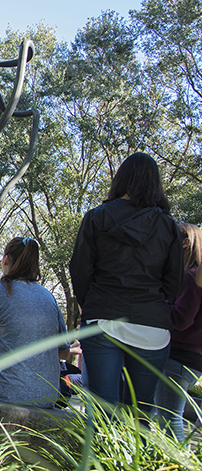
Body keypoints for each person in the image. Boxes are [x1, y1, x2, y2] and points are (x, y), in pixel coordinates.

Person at [70, 152, 184, 411]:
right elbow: (174, 282)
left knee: (102, 410)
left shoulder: (97, 217)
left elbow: (80, 270)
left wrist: (93, 304)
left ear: (120, 179)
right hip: (151, 327)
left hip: (104, 318)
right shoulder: (168, 227)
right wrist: (152, 301)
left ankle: (98, 452)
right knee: (140, 414)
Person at [0, 237, 70, 409]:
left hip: (3, 391)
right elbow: (64, 353)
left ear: (6, 259)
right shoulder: (49, 297)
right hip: (46, 396)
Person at [154, 223, 202, 441]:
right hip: (187, 359)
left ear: (185, 242)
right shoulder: (191, 276)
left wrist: (154, 302)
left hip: (178, 358)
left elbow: (182, 319)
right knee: (167, 417)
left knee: (169, 419)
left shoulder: (191, 277)